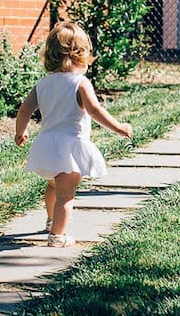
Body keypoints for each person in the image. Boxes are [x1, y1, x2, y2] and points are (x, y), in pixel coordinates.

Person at [14, 21, 132, 246]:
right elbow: (95, 110)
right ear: (80, 55)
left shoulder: (43, 84)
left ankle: (51, 221)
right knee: (66, 195)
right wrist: (119, 127)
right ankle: (58, 236)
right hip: (70, 147)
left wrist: (21, 131)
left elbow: (25, 109)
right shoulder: (80, 83)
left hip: (46, 147)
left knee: (53, 186)